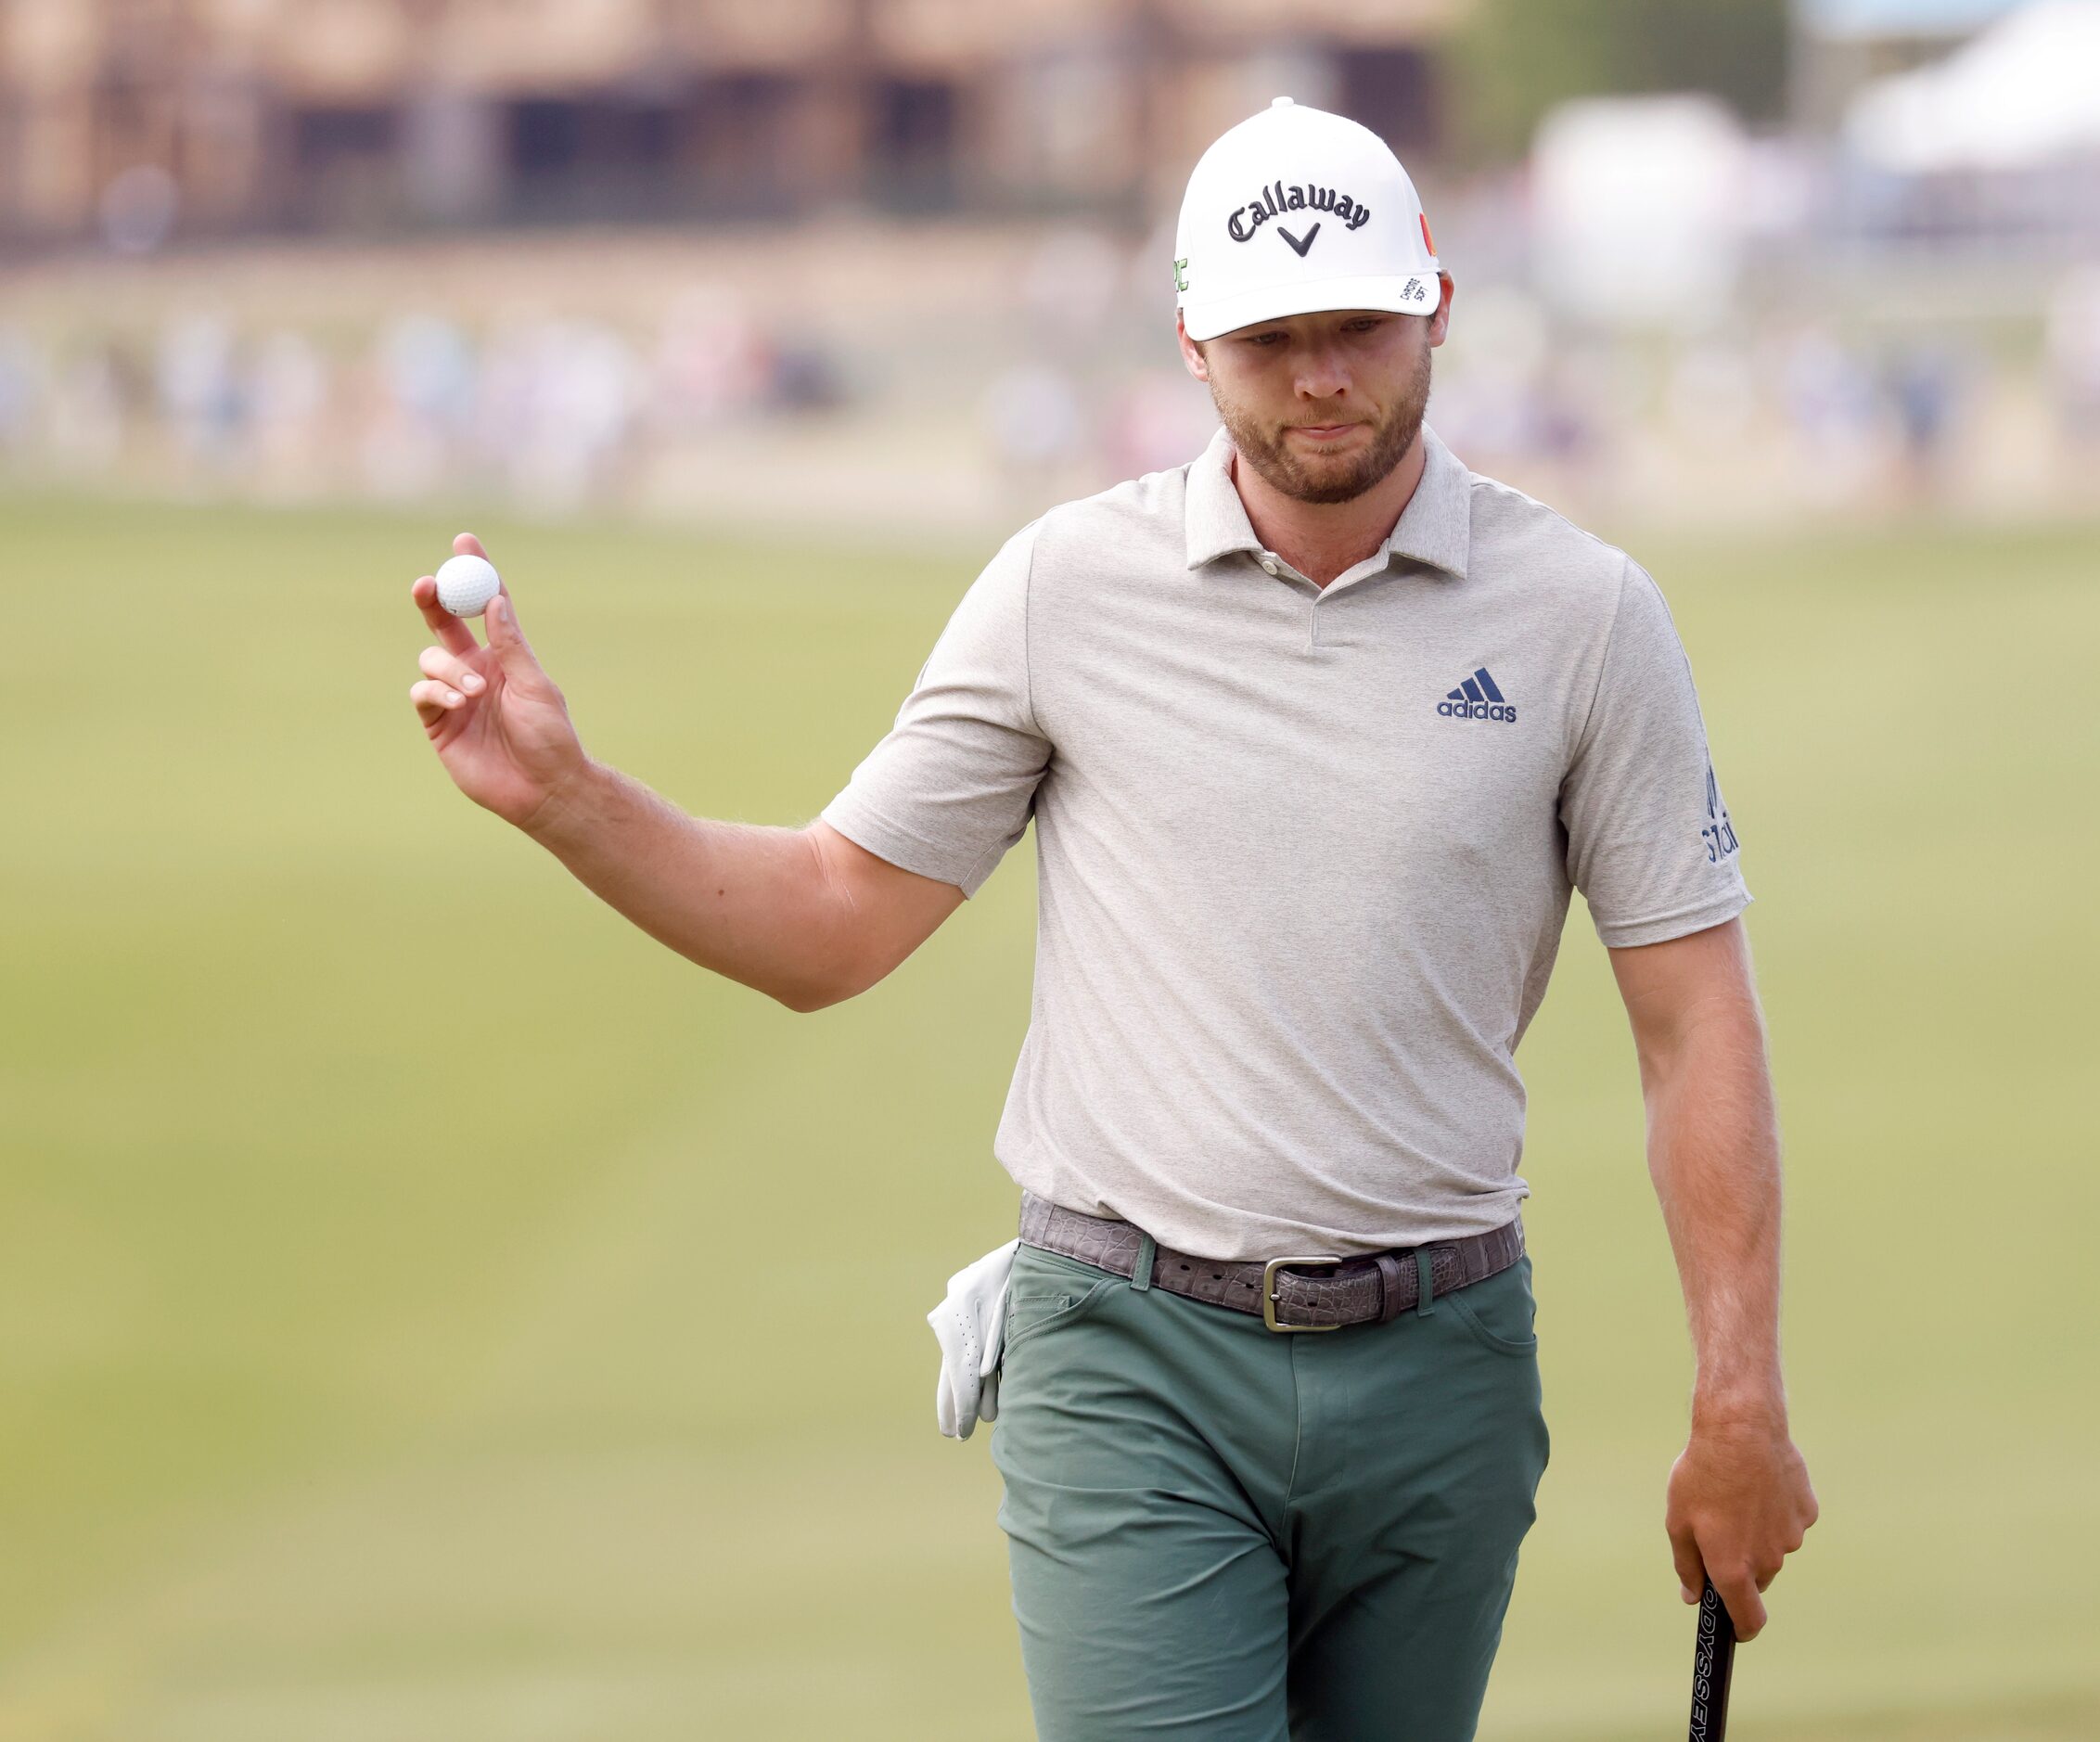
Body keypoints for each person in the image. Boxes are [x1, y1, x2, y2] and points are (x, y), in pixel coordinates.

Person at [405, 97, 1816, 1742]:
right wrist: (571, 797)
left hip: (1443, 1359)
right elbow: (830, 918)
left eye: (1357, 325)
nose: (1320, 377)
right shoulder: (1063, 588)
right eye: (1267, 338)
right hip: (1130, 1353)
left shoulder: (1586, 617)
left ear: (1435, 296)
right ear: (1190, 344)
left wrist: (1741, 1394)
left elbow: (1692, 1020)